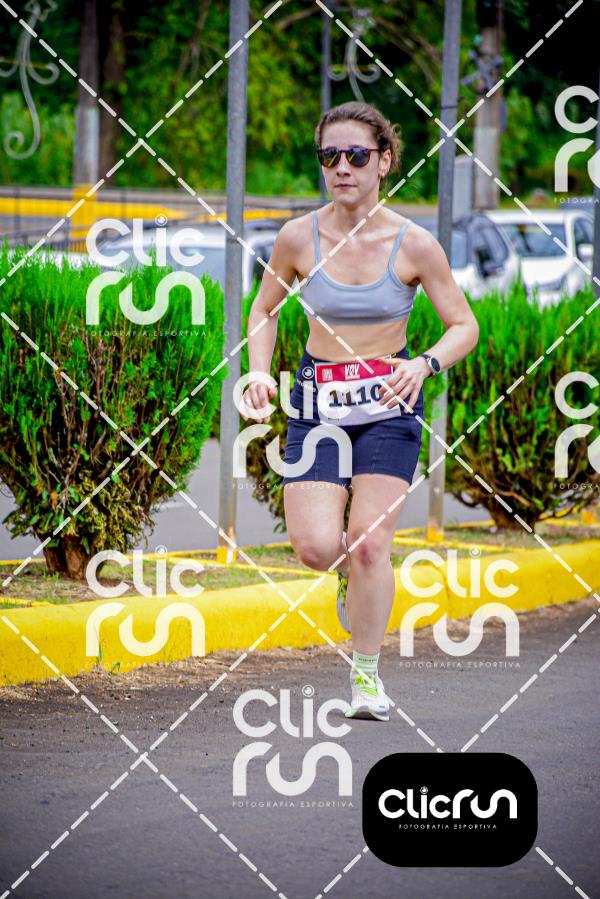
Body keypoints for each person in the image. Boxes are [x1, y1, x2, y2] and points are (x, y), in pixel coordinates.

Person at [241, 101, 479, 721]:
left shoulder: (414, 243)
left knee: (371, 543)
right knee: (318, 547)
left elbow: (464, 326)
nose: (342, 167)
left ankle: (366, 678)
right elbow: (264, 310)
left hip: (389, 404)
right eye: (330, 156)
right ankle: (351, 574)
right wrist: (260, 371)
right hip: (318, 402)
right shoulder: (298, 237)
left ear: (384, 161)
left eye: (356, 155)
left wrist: (423, 364)